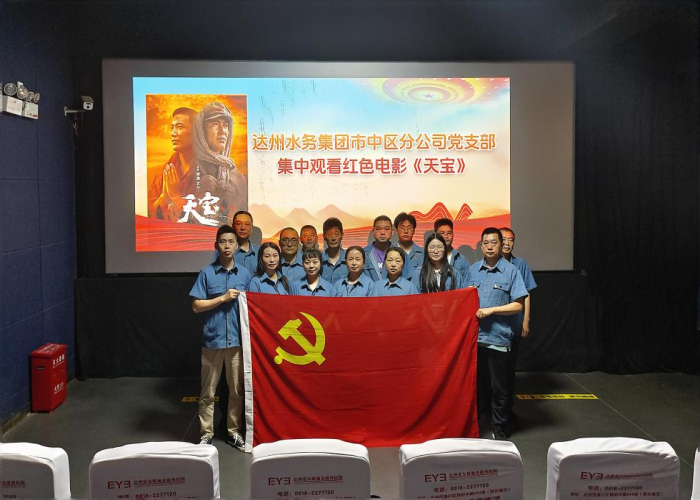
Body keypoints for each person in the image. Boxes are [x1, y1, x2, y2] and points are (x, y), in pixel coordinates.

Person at [189, 224, 251, 450]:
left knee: (236, 391)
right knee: (207, 392)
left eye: (231, 242)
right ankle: (206, 434)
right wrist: (222, 298)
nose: (227, 246)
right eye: (223, 242)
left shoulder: (245, 274)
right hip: (212, 341)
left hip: (237, 342)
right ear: (216, 245)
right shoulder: (206, 273)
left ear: (236, 246)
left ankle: (233, 431)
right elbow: (196, 306)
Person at [466, 227, 528, 441]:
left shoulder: (511, 271)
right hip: (475, 340)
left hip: (497, 340)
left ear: (501, 245)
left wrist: (492, 310)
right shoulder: (473, 270)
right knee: (476, 385)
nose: (490, 246)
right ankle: (476, 423)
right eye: (486, 243)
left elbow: (518, 305)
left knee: (499, 387)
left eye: (494, 242)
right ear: (481, 246)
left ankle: (499, 426)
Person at [499, 226, 537, 426]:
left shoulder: (520, 265)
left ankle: (507, 408)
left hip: (514, 323)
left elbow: (526, 293)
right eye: (503, 239)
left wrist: (526, 319)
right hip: (494, 325)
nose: (507, 243)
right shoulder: (487, 263)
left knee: (509, 368)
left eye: (510, 239)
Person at [191, 102, 248, 223]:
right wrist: (200, 193)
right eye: (215, 124)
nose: (222, 131)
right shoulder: (190, 168)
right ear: (202, 131)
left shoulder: (239, 178)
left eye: (226, 125)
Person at [150, 107, 200, 221]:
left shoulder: (209, 172)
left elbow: (208, 218)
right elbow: (149, 214)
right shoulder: (163, 174)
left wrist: (176, 197)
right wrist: (164, 197)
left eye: (179, 127)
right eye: (172, 128)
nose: (173, 133)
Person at [363, 215, 394, 281]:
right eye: (378, 229)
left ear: (392, 231)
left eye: (386, 229)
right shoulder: (363, 254)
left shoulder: (400, 254)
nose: (382, 233)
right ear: (373, 231)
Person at [394, 212, 424, 278]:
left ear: (414, 230)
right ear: (396, 230)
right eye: (402, 228)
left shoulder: (422, 253)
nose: (406, 231)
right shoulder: (389, 252)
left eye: (409, 227)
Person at [321, 217, 348, 283]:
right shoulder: (319, 260)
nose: (333, 238)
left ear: (342, 235)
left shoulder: (349, 259)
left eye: (336, 234)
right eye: (330, 234)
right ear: (324, 236)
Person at [232, 211, 259, 275]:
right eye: (239, 224)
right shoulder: (224, 252)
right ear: (233, 226)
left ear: (252, 227)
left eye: (247, 224)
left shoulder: (260, 252)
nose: (243, 228)